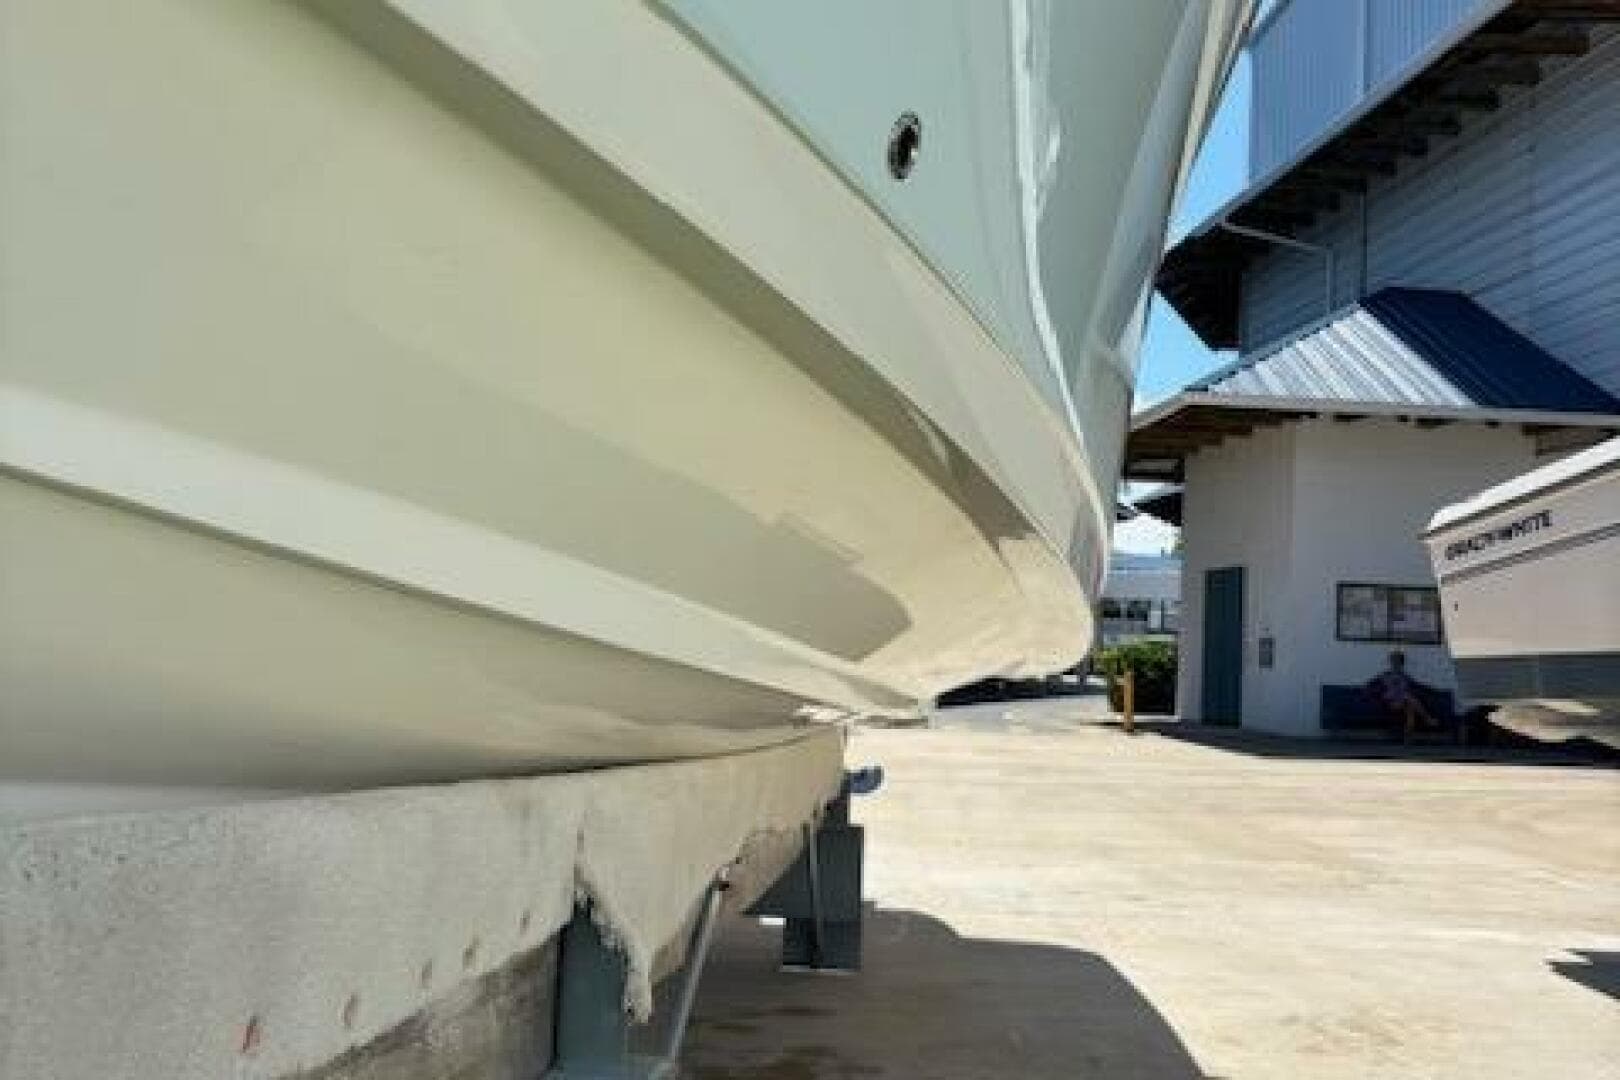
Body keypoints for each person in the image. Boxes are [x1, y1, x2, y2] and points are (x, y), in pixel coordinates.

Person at [1366, 650, 1434, 741]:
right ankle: (1427, 719)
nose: (1396, 664)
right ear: (1391, 663)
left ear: (1401, 664)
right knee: (1410, 700)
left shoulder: (1405, 677)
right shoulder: (1385, 676)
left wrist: (1432, 690)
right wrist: (1382, 695)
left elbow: (1418, 686)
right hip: (1389, 703)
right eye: (1394, 662)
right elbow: (1370, 686)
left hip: (1403, 702)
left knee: (1410, 706)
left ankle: (1408, 732)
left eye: (1398, 662)